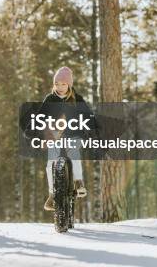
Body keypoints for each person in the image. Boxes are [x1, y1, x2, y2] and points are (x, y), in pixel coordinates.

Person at [37, 66, 97, 211]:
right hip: (54, 135)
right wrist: (32, 129)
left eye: (63, 84)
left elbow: (88, 116)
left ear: (69, 84)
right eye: (57, 84)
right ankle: (52, 194)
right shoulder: (50, 99)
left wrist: (92, 129)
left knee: (73, 154)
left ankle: (78, 182)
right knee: (50, 162)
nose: (60, 87)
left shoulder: (77, 99)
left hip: (73, 134)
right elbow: (40, 117)